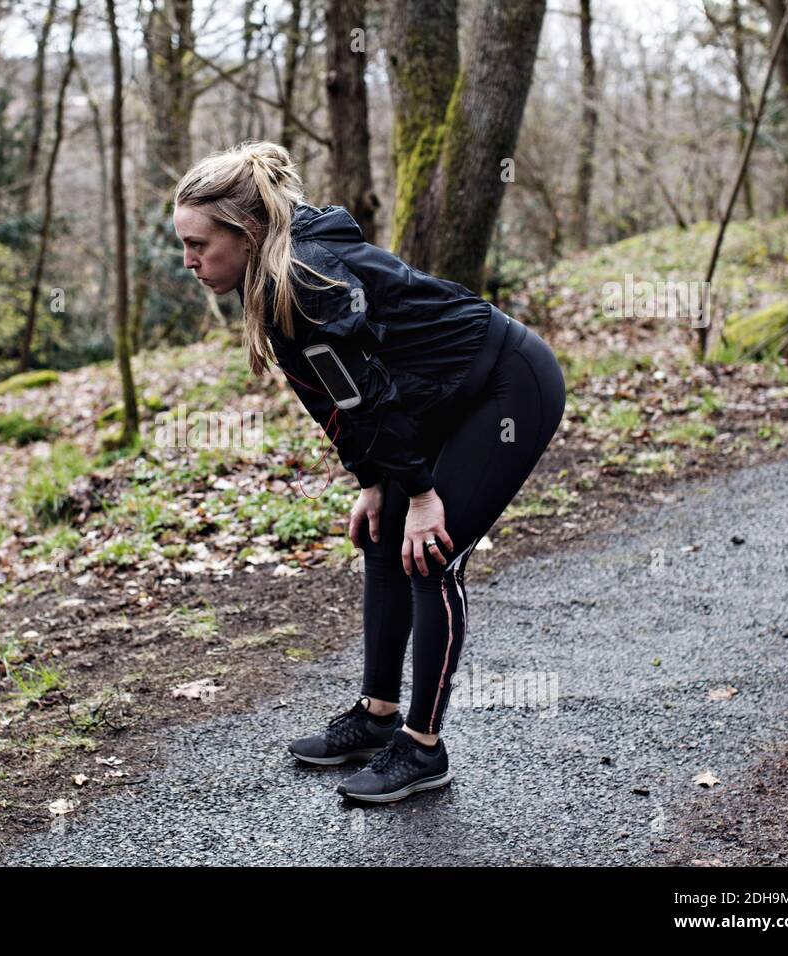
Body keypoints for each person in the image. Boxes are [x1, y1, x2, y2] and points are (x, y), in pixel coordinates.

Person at [172, 141, 566, 804]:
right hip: (442, 395)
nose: (188, 262)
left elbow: (368, 397)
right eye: (182, 245)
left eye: (198, 245)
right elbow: (341, 398)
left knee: (431, 555)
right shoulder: (277, 276)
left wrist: (418, 492)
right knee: (382, 537)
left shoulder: (305, 283)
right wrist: (374, 483)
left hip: (507, 386)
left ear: (247, 234)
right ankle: (377, 717)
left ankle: (422, 749)